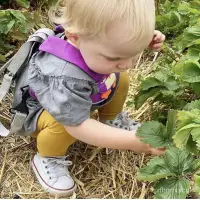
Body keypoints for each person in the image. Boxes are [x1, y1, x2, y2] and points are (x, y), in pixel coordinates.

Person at [12, 0, 166, 196]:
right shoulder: (63, 75)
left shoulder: (99, 43)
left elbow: (122, 46)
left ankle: (111, 119)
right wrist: (132, 141)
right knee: (63, 126)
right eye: (114, 58)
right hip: (43, 110)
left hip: (84, 90)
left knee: (119, 77)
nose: (127, 64)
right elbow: (78, 126)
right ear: (74, 38)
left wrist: (144, 41)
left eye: (134, 55)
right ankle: (47, 157)